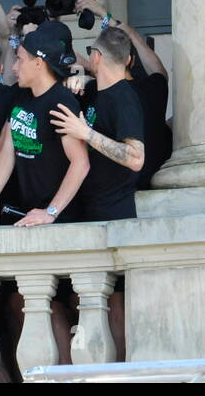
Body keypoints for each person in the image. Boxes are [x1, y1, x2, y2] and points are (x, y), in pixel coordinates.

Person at [0, 21, 88, 364]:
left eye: (20, 59)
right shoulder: (22, 97)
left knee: (54, 304)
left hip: (61, 221)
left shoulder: (62, 101)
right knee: (24, 302)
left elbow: (80, 164)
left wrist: (50, 213)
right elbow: (9, 145)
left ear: (39, 62)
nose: (13, 66)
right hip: (28, 217)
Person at [52, 25, 145, 359]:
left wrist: (86, 133)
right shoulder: (96, 92)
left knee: (115, 301)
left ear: (97, 56)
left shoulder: (124, 97)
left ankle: (121, 372)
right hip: (89, 211)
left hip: (114, 214)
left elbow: (135, 158)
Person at [73, 0, 172, 189]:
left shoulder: (101, 93)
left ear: (97, 57)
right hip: (143, 186)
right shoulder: (153, 88)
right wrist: (105, 15)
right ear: (131, 61)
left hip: (118, 191)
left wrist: (84, 69)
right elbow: (158, 70)